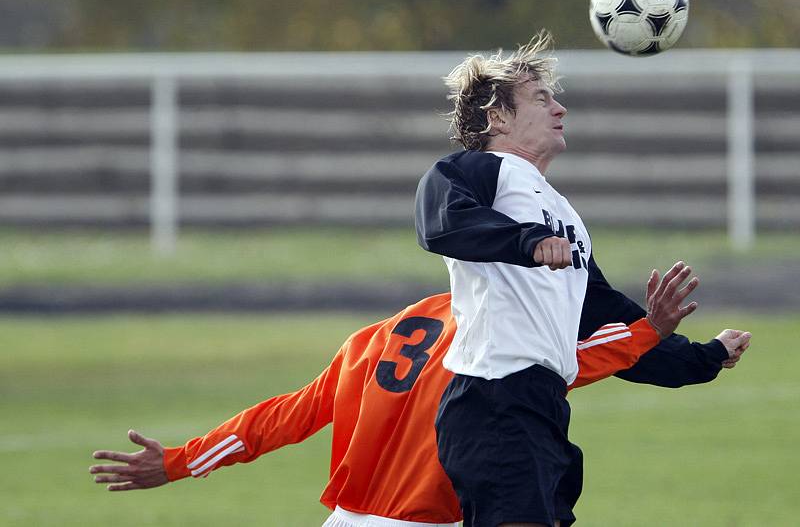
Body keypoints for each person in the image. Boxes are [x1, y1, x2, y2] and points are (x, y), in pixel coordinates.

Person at [90, 268, 750, 527]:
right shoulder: (499, 336)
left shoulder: (373, 338)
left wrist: (176, 461)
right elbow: (569, 364)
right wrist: (654, 333)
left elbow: (279, 417)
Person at [413, 32, 751, 527]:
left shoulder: (560, 209)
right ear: (498, 117)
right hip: (494, 399)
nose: (560, 108)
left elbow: (599, 314)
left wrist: (703, 357)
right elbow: (438, 218)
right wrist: (526, 242)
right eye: (541, 98)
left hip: (542, 404)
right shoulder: (481, 170)